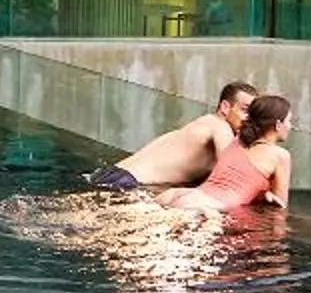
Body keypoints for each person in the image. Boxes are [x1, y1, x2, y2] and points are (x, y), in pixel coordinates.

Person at [87, 82, 257, 192]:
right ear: (225, 107)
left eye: (254, 113)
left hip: (112, 175)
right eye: (245, 110)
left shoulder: (205, 125)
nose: (250, 118)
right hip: (128, 183)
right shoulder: (219, 126)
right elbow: (231, 172)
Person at [163, 93, 294, 215]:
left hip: (177, 195)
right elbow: (280, 206)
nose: (290, 126)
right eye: (288, 121)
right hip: (209, 207)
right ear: (278, 125)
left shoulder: (237, 141)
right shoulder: (281, 156)